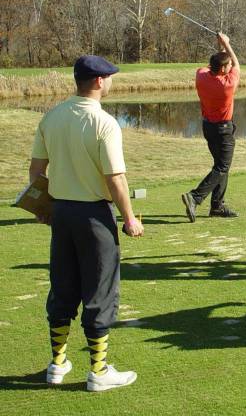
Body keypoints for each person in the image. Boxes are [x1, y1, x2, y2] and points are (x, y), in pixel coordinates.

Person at [29, 55, 144, 391]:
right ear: (97, 81)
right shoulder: (104, 123)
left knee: (63, 287)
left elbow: (37, 172)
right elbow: (116, 179)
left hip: (61, 214)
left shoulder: (52, 116)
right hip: (94, 216)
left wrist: (42, 207)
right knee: (100, 290)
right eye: (109, 77)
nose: (111, 82)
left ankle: (58, 364)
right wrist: (130, 218)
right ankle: (99, 371)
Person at [182, 32, 240, 222]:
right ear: (223, 69)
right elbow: (237, 65)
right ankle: (195, 197)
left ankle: (217, 206)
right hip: (223, 130)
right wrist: (227, 45)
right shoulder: (228, 85)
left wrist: (221, 48)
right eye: (228, 65)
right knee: (223, 166)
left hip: (208, 128)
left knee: (220, 166)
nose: (231, 66)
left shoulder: (201, 76)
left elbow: (215, 65)